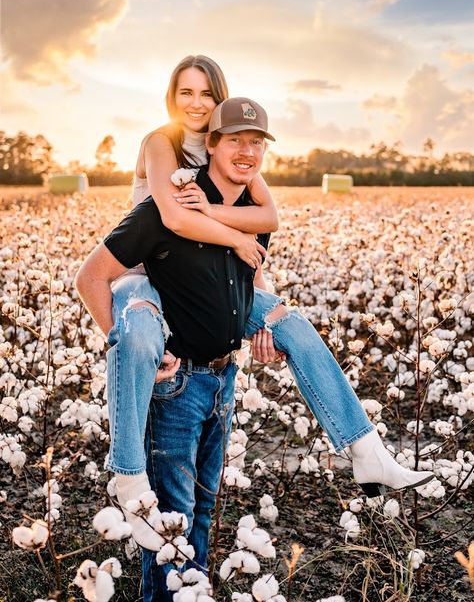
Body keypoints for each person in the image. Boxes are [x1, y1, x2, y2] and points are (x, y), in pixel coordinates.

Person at [76, 61, 433, 534]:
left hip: (201, 290)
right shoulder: (161, 144)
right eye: (186, 93)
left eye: (207, 95)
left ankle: (365, 449)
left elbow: (267, 217)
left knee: (294, 326)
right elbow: (174, 217)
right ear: (171, 98)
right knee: (139, 335)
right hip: (141, 271)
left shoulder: (229, 156)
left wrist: (258, 308)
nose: (197, 104)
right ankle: (127, 476)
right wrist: (235, 239)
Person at [76, 101, 273, 600]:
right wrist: (130, 349)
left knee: (202, 511)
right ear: (211, 144)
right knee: (173, 519)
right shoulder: (166, 210)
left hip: (224, 380)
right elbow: (91, 276)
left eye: (256, 143)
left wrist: (262, 325)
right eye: (235, 141)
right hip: (179, 384)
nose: (246, 152)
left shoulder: (250, 219)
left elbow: (245, 284)